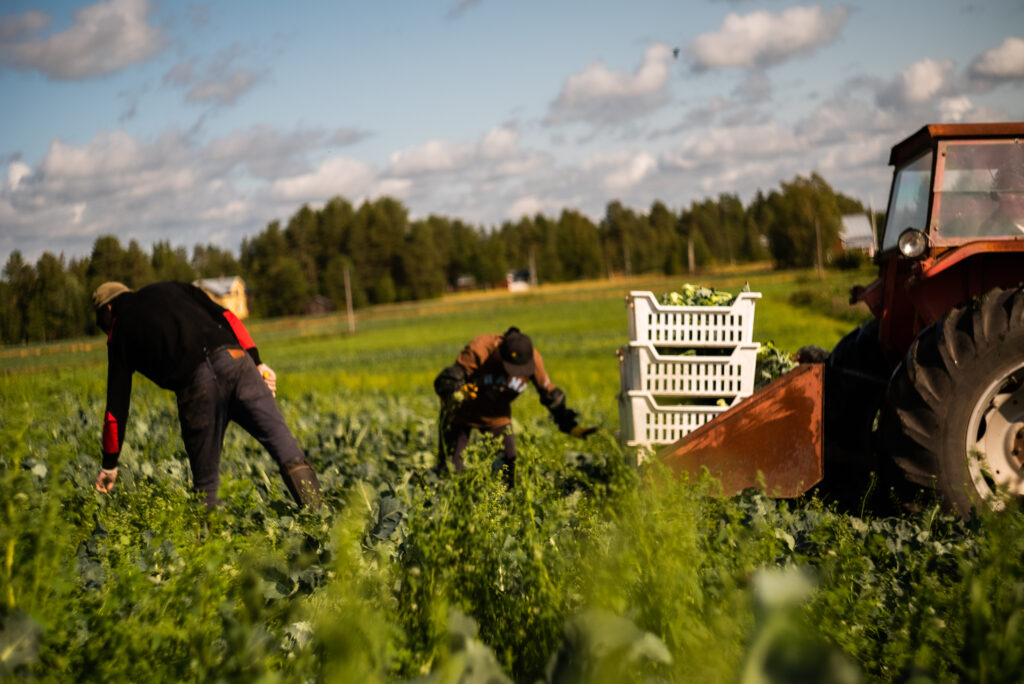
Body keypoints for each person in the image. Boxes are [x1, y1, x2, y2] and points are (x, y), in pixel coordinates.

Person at [91, 281, 322, 509]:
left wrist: (110, 464)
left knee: (207, 481)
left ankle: (213, 545)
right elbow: (229, 317)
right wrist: (257, 361)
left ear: (108, 309)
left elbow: (115, 409)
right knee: (285, 446)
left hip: (197, 385)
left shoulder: (119, 330)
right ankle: (320, 520)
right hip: (237, 362)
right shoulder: (174, 287)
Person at [432, 326, 596, 485]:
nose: (514, 373)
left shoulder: (534, 359)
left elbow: (550, 395)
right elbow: (446, 380)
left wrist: (569, 426)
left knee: (507, 473)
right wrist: (457, 393)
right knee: (449, 473)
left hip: (496, 416)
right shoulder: (481, 348)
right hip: (460, 415)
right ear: (500, 355)